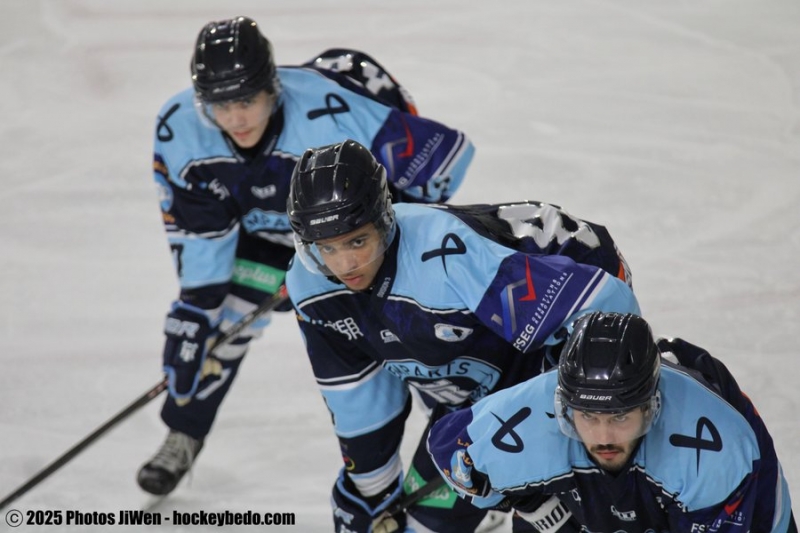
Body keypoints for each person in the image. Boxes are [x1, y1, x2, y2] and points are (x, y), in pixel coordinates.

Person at [138, 15, 475, 496]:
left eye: (247, 100)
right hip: (272, 242)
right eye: (221, 104)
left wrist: (385, 232)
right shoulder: (180, 129)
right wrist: (195, 308)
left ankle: (467, 461)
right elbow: (201, 231)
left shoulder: (330, 110)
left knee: (413, 340)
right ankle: (184, 431)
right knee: (213, 328)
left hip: (361, 239)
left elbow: (447, 158)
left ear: (272, 87)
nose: (236, 118)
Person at [283, 139, 640, 532]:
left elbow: (608, 306)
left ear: (384, 220)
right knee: (419, 522)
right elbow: (358, 395)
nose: (346, 263)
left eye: (357, 241)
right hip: (478, 371)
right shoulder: (311, 287)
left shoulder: (448, 260)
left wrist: (526, 461)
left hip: (570, 304)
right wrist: (370, 488)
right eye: (326, 249)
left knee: (552, 513)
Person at [427, 312, 797, 532]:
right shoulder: (531, 422)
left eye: (620, 415)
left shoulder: (716, 455)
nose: (603, 437)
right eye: (588, 416)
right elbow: (451, 449)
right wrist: (539, 510)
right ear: (565, 408)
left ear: (651, 405)